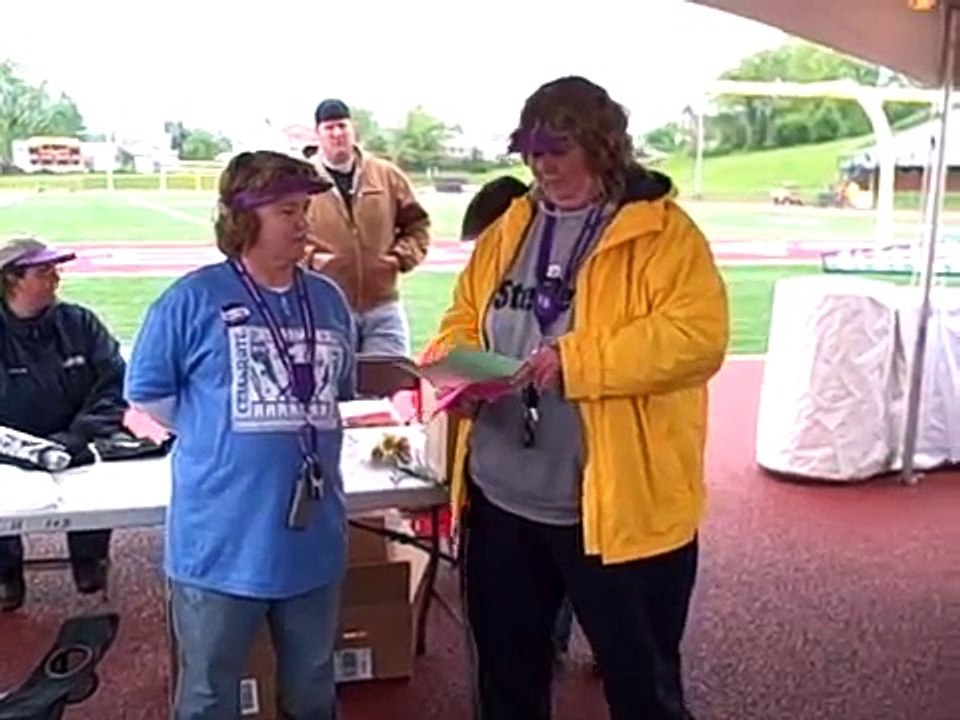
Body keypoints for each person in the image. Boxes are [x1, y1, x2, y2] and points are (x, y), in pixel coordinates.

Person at [425, 76, 730, 719]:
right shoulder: (514, 224)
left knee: (644, 687)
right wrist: (456, 370)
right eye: (532, 152)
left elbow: (697, 340)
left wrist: (575, 360)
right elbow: (462, 317)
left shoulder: (665, 235)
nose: (543, 166)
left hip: (618, 512)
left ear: (603, 144)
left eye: (559, 148)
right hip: (502, 501)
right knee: (507, 685)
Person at [126, 150, 356, 720]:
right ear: (244, 218)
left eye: (305, 209)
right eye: (287, 210)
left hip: (314, 539)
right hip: (219, 543)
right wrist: (221, 442)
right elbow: (149, 398)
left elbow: (333, 396)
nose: (303, 222)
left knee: (312, 686)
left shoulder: (327, 300)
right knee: (208, 692)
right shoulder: (190, 300)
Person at [0, 236, 128, 611]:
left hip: (76, 442)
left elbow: (113, 384)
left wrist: (77, 435)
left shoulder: (80, 323)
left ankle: (88, 556)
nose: (56, 278)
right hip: (5, 450)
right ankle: (5, 569)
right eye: (44, 271)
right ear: (12, 279)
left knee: (97, 480)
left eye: (55, 269)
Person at [304, 98, 431, 357]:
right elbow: (281, 236)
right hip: (325, 308)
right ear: (318, 134)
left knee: (391, 382)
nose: (337, 133)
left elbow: (417, 224)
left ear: (353, 129)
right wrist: (312, 260)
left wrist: (398, 257)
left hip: (382, 306)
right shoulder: (302, 180)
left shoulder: (386, 175)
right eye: (329, 128)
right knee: (330, 389)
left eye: (342, 126)